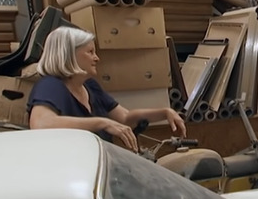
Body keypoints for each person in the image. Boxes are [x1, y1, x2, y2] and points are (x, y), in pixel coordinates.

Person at [27, 26, 186, 152]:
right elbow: (41, 124)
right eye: (90, 52)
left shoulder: (90, 86)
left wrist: (164, 112)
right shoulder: (50, 86)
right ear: (68, 55)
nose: (97, 58)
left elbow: (125, 118)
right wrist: (101, 123)